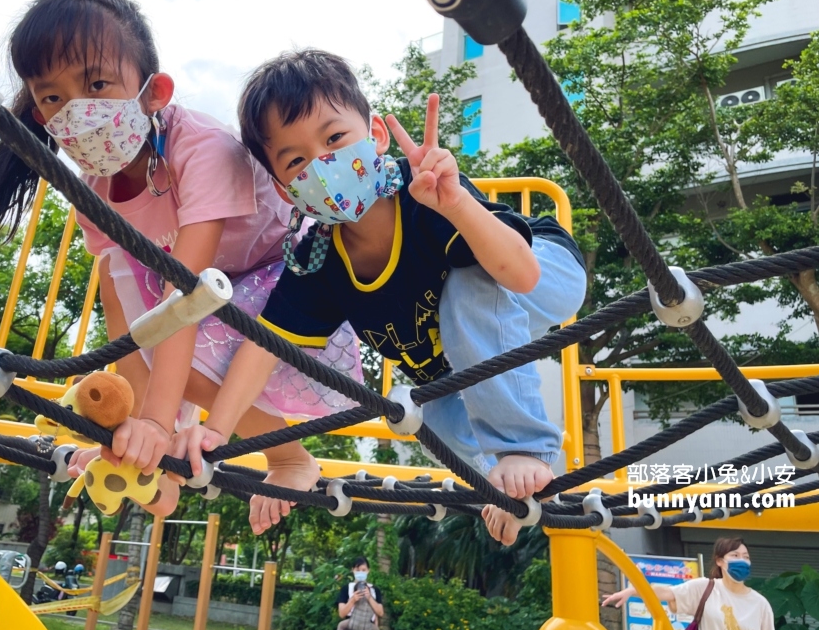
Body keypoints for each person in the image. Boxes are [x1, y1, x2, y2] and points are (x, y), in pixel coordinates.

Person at [0, 0, 362, 527]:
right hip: (210, 292)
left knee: (170, 326)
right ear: (37, 110)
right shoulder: (95, 187)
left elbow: (187, 295)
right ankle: (164, 466)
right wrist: (146, 427)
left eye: (97, 84)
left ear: (154, 92)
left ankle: (288, 455)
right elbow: (121, 303)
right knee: (139, 325)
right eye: (52, 97)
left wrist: (151, 418)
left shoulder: (202, 149)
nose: (78, 110)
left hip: (279, 278)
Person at [170, 49, 586, 541]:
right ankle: (504, 485)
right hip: (459, 354)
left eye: (335, 138)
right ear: (286, 191)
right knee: (428, 416)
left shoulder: (423, 191)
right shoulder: (319, 260)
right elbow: (263, 345)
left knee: (466, 288)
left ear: (377, 135)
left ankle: (525, 447)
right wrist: (217, 433)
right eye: (298, 160)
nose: (324, 165)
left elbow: (520, 276)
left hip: (536, 265)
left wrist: (456, 206)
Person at [602, 537, 776, 630]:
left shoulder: (760, 604)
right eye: (735, 555)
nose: (742, 561)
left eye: (746, 557)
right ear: (720, 561)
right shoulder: (705, 587)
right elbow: (667, 593)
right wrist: (634, 589)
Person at [336, 558, 383, 630]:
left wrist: (369, 598)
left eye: (363, 570)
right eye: (357, 570)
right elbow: (341, 614)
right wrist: (353, 600)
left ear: (368, 570)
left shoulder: (374, 590)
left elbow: (380, 613)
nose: (360, 572)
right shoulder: (346, 588)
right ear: (353, 570)